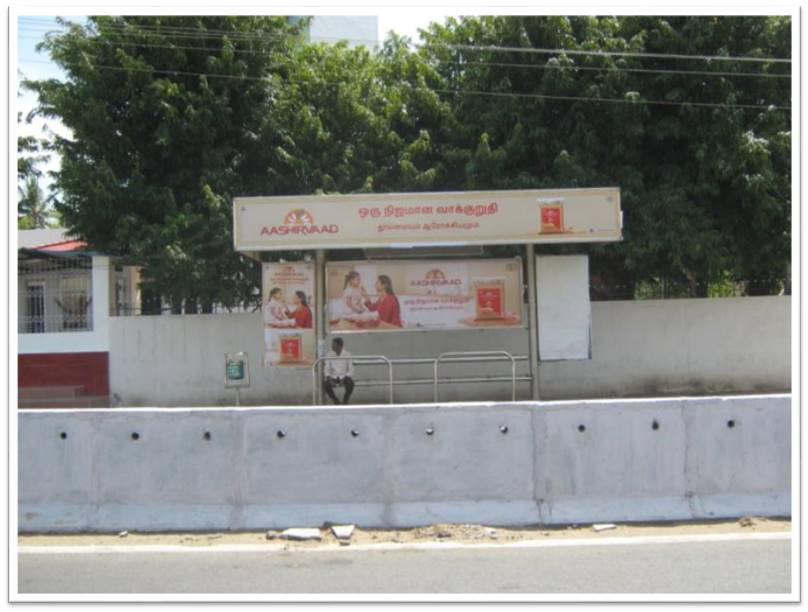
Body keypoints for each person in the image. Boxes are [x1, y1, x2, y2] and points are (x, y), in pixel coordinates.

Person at [323, 337, 355, 404]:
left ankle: (345, 400)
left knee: (350, 384)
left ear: (340, 346)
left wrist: (345, 378)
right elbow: (326, 368)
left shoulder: (347, 354)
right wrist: (329, 378)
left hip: (345, 376)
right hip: (333, 376)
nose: (332, 346)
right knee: (326, 385)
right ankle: (335, 400)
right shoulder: (329, 355)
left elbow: (351, 369)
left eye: (334, 344)